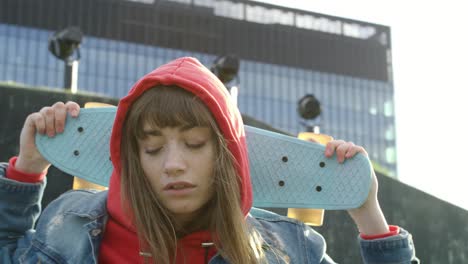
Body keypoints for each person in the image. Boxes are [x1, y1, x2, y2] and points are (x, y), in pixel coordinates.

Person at [0, 57, 418, 263]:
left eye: (196, 144)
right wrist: (28, 169)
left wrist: (368, 213)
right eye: (152, 148)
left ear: (227, 154)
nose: (174, 164)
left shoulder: (286, 248)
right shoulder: (68, 224)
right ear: (131, 158)